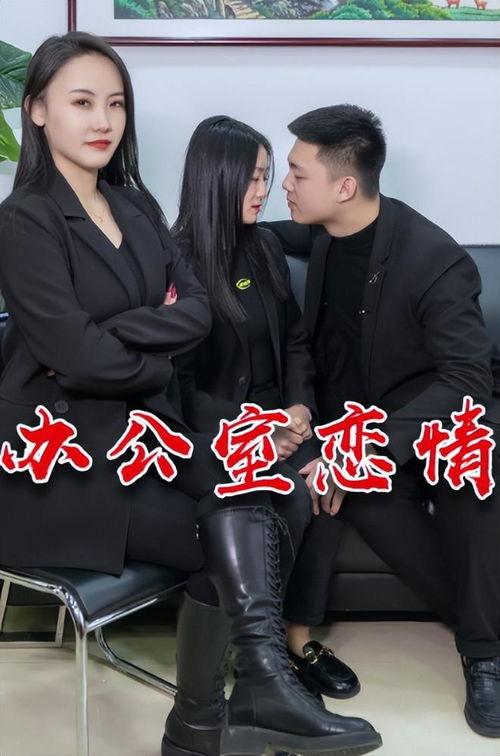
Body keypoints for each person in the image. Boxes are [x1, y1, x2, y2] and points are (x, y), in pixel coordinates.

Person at [0, 36, 381, 756]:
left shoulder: (134, 206)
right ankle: (219, 711)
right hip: (67, 468)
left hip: (142, 442)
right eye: (82, 102)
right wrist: (139, 350)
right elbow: (74, 356)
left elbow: (196, 312)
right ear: (38, 110)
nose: (102, 120)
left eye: (115, 103)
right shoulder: (25, 220)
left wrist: (111, 335)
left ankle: (228, 704)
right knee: (232, 525)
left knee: (261, 488)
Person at [265, 103, 500, 738]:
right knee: (356, 500)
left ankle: (484, 656)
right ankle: (483, 623)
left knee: (475, 476)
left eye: (297, 173)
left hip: (433, 420)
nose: (284, 184)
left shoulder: (433, 259)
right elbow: (250, 232)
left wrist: (358, 448)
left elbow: (466, 380)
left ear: (345, 185)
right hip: (358, 431)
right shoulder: (321, 232)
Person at [173, 114, 361, 702]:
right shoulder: (174, 261)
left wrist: (300, 406)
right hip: (220, 433)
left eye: (267, 175)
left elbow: (296, 341)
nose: (264, 190)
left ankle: (296, 640)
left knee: (329, 476)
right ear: (218, 179)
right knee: (287, 494)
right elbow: (175, 385)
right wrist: (253, 432)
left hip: (284, 421)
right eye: (253, 178)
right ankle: (261, 654)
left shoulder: (265, 248)